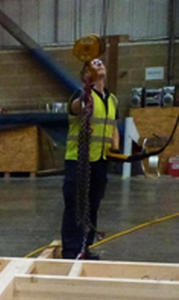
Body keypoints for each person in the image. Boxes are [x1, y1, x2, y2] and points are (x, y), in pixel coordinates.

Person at [60, 58, 119, 260]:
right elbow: (76, 107)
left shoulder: (112, 100)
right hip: (79, 160)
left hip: (100, 161)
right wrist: (85, 95)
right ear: (86, 74)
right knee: (76, 205)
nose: (99, 64)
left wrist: (116, 148)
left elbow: (113, 125)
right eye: (93, 64)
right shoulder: (81, 96)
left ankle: (85, 248)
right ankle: (70, 250)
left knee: (92, 205)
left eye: (101, 62)